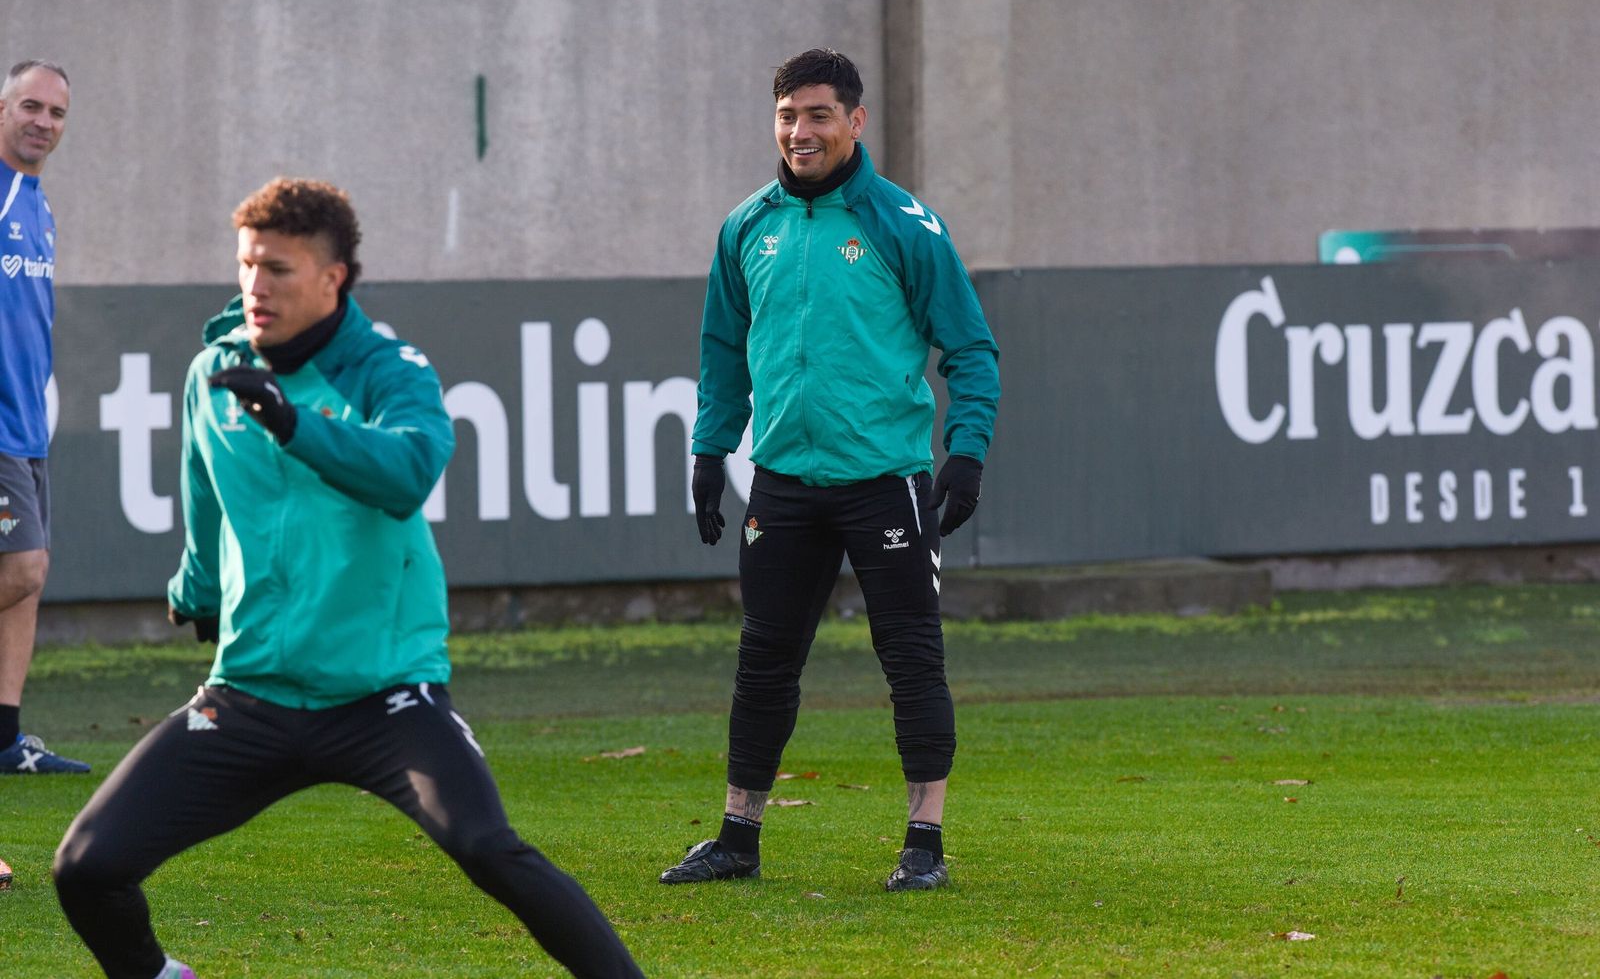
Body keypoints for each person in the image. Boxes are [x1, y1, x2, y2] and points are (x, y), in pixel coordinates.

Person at [53, 178, 644, 979]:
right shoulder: (214, 371)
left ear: (333, 278)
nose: (255, 285)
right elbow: (206, 496)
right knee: (85, 866)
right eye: (247, 264)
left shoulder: (388, 369)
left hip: (383, 695)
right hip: (252, 693)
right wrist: (197, 588)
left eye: (278, 269)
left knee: (488, 846)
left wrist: (292, 423)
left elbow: (409, 471)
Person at [661, 48, 1000, 892]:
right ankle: (738, 837)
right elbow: (721, 350)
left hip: (884, 480)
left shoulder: (904, 222)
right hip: (781, 481)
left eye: (818, 115)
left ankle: (924, 845)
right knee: (764, 660)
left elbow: (971, 348)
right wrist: (710, 448)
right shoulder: (746, 227)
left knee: (911, 658)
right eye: (787, 116)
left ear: (855, 121)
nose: (800, 132)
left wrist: (966, 451)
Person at [0, 58, 89, 776]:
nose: (43, 122)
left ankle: (4, 740)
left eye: (56, 112)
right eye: (31, 106)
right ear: (3, 108)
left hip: (27, 425)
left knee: (28, 580)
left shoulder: (40, 207)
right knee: (21, 567)